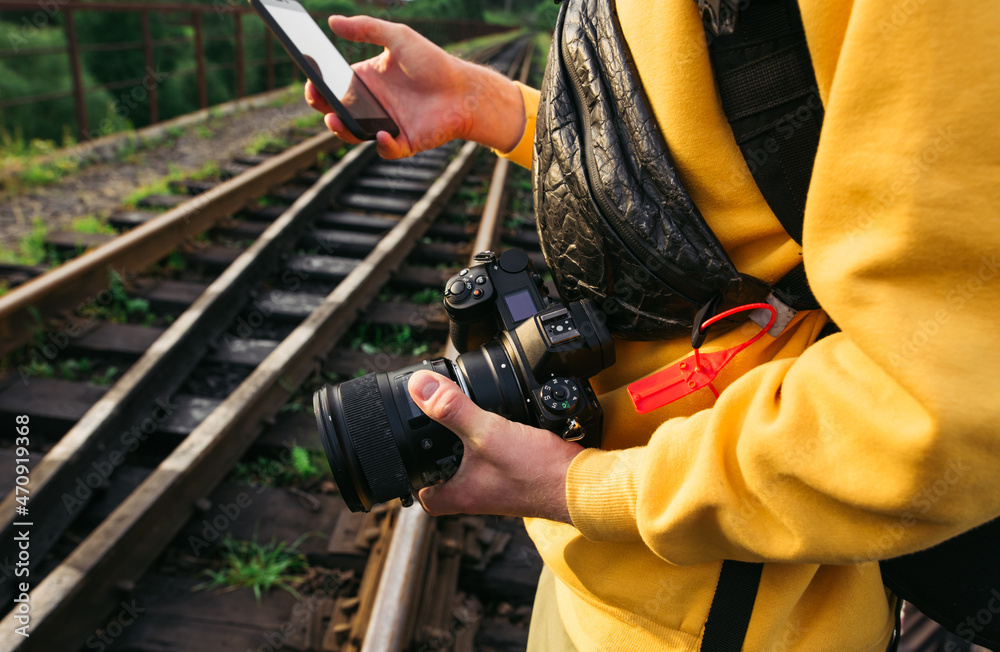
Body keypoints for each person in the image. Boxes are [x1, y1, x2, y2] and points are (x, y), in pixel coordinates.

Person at [305, 2, 1000, 650]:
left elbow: (937, 409)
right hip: (590, 566)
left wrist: (583, 488)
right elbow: (709, 174)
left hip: (727, 618)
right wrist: (487, 106)